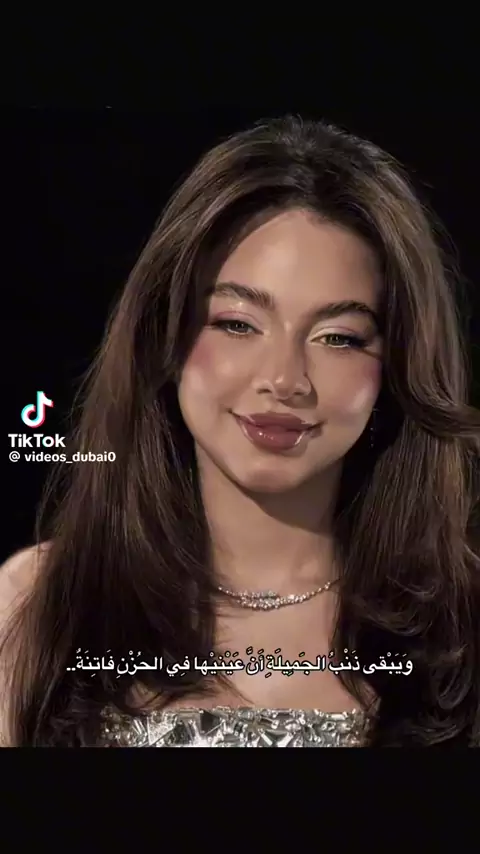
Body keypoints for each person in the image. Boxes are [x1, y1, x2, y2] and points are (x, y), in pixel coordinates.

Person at [1, 114, 479, 748]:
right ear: (165, 336)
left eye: (337, 337)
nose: (284, 379)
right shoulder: (39, 602)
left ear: (396, 367)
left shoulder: (463, 627)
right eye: (237, 324)